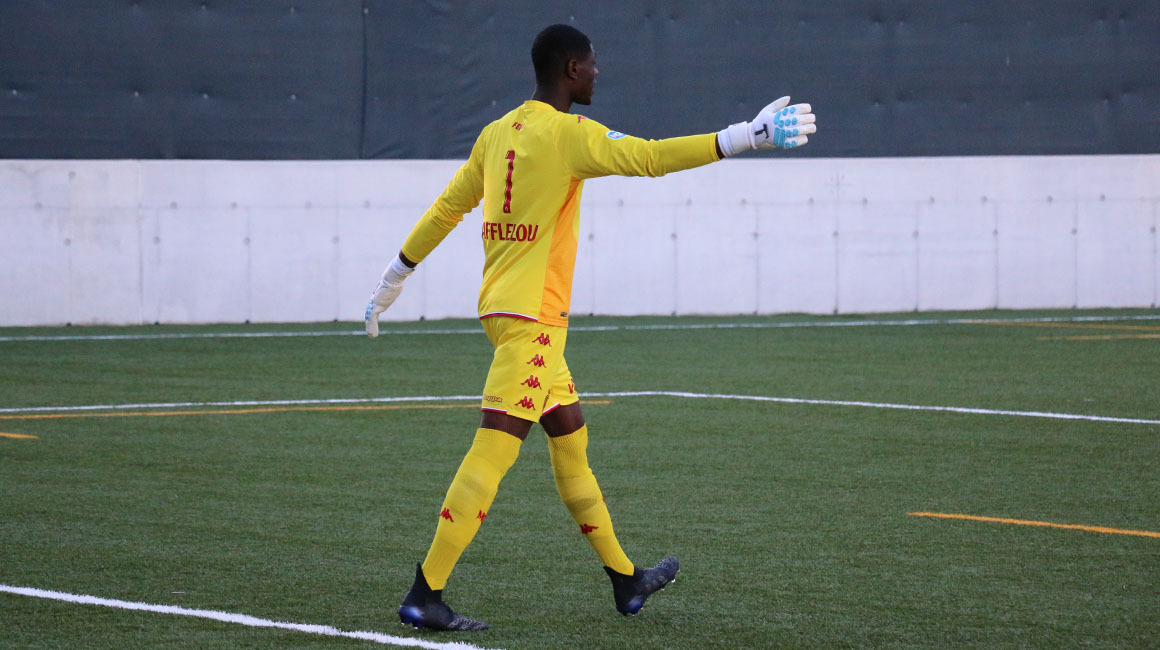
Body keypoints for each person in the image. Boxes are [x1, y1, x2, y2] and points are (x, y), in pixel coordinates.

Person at [364, 23, 816, 631]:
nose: (598, 73)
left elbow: (449, 207)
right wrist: (742, 137)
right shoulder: (570, 134)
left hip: (503, 313)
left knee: (570, 439)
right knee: (491, 454)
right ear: (571, 69)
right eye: (592, 63)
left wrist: (395, 274)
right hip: (534, 321)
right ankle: (425, 594)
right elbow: (650, 157)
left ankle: (626, 581)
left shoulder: (495, 133)